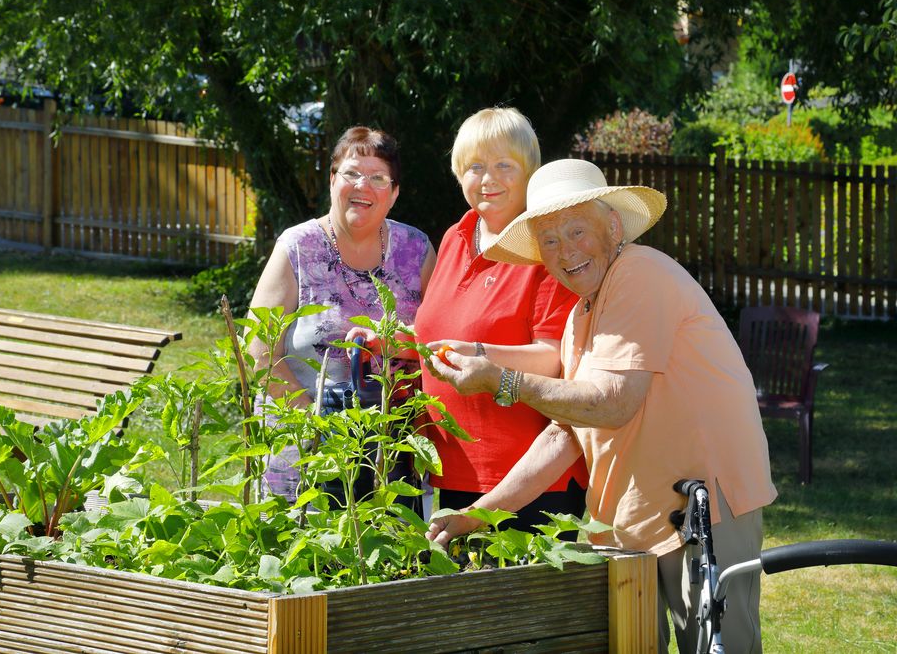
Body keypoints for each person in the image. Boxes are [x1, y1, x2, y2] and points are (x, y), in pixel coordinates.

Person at [425, 158, 777, 654]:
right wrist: (476, 515)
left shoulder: (639, 274)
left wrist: (501, 380)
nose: (566, 251)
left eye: (576, 231)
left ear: (613, 226)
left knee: (719, 648)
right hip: (632, 520)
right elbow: (562, 432)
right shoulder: (580, 318)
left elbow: (613, 404)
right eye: (550, 240)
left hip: (703, 511)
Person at [357, 107, 587, 533]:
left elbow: (554, 358)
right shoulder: (456, 237)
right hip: (455, 467)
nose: (488, 178)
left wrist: (482, 356)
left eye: (504, 165)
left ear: (529, 171)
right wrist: (393, 342)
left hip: (532, 476)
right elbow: (445, 336)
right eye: (475, 167)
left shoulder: (546, 245)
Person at [247, 126, 436, 503]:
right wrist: (319, 427)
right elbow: (259, 350)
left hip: (392, 448)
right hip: (304, 444)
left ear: (394, 193)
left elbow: (436, 339)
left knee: (390, 553)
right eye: (351, 173)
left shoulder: (416, 250)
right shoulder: (298, 247)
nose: (363, 186)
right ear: (333, 179)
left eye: (378, 177)